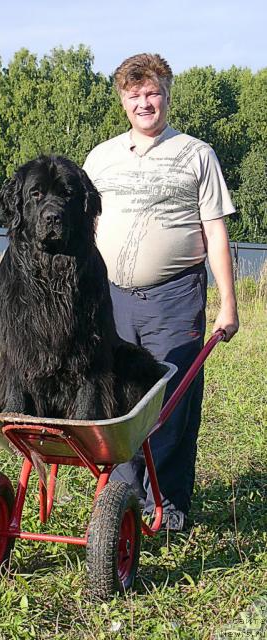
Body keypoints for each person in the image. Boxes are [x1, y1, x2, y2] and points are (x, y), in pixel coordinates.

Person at [83, 53, 239, 531]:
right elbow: (82, 228)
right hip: (110, 299)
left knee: (171, 404)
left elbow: (215, 233)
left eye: (153, 93)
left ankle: (167, 510)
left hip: (174, 299)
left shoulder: (196, 155)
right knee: (119, 402)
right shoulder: (100, 157)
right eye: (135, 95)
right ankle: (124, 502)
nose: (145, 102)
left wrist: (228, 304)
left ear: (167, 96)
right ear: (123, 101)